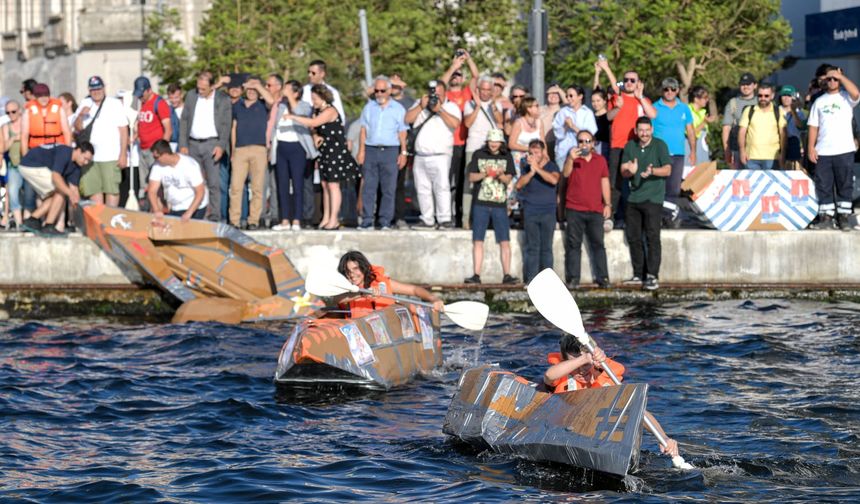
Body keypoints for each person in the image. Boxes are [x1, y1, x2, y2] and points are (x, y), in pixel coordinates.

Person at [543, 334, 681, 457]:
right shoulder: (560, 376)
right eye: (575, 364)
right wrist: (584, 359)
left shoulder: (606, 376)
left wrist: (664, 438)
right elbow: (549, 376)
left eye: (586, 365)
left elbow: (636, 409)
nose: (581, 370)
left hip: (595, 434)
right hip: (565, 429)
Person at [286, 84, 358, 229]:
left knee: (333, 184)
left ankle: (334, 219)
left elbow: (314, 123)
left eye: (315, 98)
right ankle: (326, 217)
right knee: (325, 185)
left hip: (335, 151)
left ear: (323, 97)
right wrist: (315, 137)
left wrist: (293, 117)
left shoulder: (330, 111)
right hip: (325, 151)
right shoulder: (316, 111)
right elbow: (314, 128)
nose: (314, 101)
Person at [599, 59, 657, 223]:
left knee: (637, 181)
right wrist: (617, 107)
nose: (629, 83)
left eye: (633, 80)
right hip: (618, 145)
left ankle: (634, 217)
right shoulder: (618, 97)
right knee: (614, 182)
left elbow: (653, 115)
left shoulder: (642, 100)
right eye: (626, 80)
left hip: (636, 146)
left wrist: (641, 97)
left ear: (639, 83)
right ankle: (609, 215)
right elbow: (608, 117)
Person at [621, 117, 672, 290]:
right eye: (640, 130)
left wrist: (652, 171)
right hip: (633, 198)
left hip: (653, 199)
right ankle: (638, 274)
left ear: (651, 130)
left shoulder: (660, 145)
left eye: (647, 130)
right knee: (634, 237)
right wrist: (630, 170)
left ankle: (652, 275)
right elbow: (623, 170)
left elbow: (667, 169)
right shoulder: (630, 146)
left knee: (652, 237)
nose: (644, 133)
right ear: (636, 131)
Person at [807, 65, 860, 231]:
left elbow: (856, 93)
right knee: (823, 185)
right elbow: (813, 127)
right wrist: (811, 148)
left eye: (834, 79)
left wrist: (839, 76)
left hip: (844, 149)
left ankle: (844, 217)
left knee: (845, 184)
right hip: (823, 151)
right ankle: (826, 217)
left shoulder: (846, 98)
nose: (832, 81)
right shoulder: (819, 101)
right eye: (829, 79)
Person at [405, 80, 462, 229]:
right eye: (432, 94)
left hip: (441, 155)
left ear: (444, 93)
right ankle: (427, 219)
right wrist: (420, 107)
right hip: (421, 155)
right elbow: (407, 119)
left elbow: (455, 124)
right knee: (422, 188)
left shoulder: (451, 106)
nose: (434, 97)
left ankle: (444, 218)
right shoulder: (420, 103)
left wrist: (439, 110)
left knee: (442, 187)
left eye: (438, 94)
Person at [464, 128, 518, 285]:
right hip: (480, 203)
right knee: (478, 240)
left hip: (499, 204)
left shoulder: (506, 156)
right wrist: (486, 173)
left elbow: (508, 180)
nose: (493, 144)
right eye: (491, 141)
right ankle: (476, 274)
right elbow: (471, 177)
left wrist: (500, 174)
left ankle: (507, 274)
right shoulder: (478, 155)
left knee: (504, 240)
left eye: (496, 141)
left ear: (501, 142)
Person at [178, 70, 232, 222]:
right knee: (192, 182)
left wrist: (221, 145)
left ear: (212, 87)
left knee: (214, 183)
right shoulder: (191, 96)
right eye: (198, 87)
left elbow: (226, 124)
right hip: (192, 144)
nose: (199, 91)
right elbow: (184, 120)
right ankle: (194, 213)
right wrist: (183, 144)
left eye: (203, 88)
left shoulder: (222, 99)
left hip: (212, 144)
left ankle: (215, 215)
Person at [356, 75, 408, 230]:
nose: (379, 94)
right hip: (371, 149)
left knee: (388, 189)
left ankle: (385, 221)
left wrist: (403, 152)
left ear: (389, 90)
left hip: (390, 151)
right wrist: (361, 151)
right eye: (376, 90)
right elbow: (363, 130)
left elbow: (402, 132)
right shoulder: (369, 107)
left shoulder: (398, 109)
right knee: (369, 188)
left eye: (382, 91)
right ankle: (367, 220)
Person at [562, 130, 611, 289]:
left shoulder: (600, 160)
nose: (584, 144)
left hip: (595, 209)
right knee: (573, 245)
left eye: (588, 141)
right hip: (574, 208)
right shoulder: (573, 158)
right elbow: (565, 174)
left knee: (598, 244)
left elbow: (605, 182)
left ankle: (603, 278)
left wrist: (608, 204)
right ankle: (573, 278)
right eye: (581, 141)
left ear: (593, 143)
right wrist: (570, 158)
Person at [72, 76, 130, 207]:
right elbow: (77, 128)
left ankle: (109, 219)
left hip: (111, 155)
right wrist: (81, 115)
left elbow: (123, 130)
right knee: (93, 189)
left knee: (111, 190)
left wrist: (123, 154)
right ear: (89, 90)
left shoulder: (114, 103)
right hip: (89, 157)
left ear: (104, 88)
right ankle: (98, 222)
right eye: (93, 89)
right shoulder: (85, 103)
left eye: (98, 88)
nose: (96, 92)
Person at [336, 250, 443, 318]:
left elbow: (414, 290)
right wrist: (362, 294)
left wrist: (434, 299)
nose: (352, 274)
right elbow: (337, 299)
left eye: (356, 269)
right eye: (347, 271)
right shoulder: (345, 289)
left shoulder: (382, 283)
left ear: (364, 268)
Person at [270, 80, 318, 231]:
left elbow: (299, 113)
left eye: (288, 89)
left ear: (296, 93)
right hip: (281, 147)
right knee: (282, 185)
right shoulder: (281, 105)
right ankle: (285, 220)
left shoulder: (304, 105)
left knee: (298, 185)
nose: (284, 91)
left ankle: (297, 219)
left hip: (297, 147)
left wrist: (290, 97)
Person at [18, 142, 93, 237]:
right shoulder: (65, 152)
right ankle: (48, 226)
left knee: (58, 194)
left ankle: (32, 220)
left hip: (33, 167)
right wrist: (70, 194)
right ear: (78, 151)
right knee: (61, 190)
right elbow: (56, 177)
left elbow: (74, 189)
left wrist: (77, 206)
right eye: (85, 158)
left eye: (88, 161)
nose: (85, 163)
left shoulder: (76, 167)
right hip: (30, 164)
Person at [441, 49, 479, 229]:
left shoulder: (466, 94)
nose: (455, 77)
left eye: (459, 75)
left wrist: (468, 59)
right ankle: (445, 215)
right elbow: (441, 83)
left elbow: (476, 75)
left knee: (463, 182)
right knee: (447, 181)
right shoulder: (445, 95)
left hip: (465, 142)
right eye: (453, 75)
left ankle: (460, 217)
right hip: (448, 143)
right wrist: (453, 66)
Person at [652, 77, 696, 228]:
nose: (669, 92)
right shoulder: (654, 107)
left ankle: (669, 218)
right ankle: (657, 218)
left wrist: (693, 151)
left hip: (678, 154)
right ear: (662, 90)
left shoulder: (684, 108)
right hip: (659, 154)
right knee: (658, 187)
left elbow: (690, 131)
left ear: (677, 90)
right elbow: (647, 131)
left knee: (674, 189)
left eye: (672, 89)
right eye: (666, 89)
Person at [463, 75, 505, 228]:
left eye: (489, 90)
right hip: (473, 147)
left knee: (491, 183)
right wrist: (478, 106)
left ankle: (488, 221)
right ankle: (466, 219)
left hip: (491, 149)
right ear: (478, 90)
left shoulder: (497, 105)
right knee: (470, 184)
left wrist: (493, 105)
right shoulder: (470, 104)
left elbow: (500, 123)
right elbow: (467, 123)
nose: (486, 93)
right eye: (483, 89)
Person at [515, 139, 560, 284]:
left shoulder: (552, 165)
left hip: (548, 212)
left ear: (542, 152)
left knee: (546, 248)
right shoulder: (526, 167)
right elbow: (519, 184)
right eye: (531, 152)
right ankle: (531, 280)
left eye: (536, 152)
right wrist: (531, 172)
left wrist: (538, 169)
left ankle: (548, 282)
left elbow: (554, 180)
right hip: (531, 211)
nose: (533, 155)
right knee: (532, 247)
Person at [229, 77, 270, 230]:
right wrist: (233, 150)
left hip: (259, 149)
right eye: (249, 89)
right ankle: (234, 220)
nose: (252, 92)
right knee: (236, 187)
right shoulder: (238, 105)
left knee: (257, 188)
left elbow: (271, 100)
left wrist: (258, 86)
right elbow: (234, 127)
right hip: (240, 150)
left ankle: (253, 220)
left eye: (255, 89)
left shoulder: (263, 104)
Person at [133, 76, 173, 209]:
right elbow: (143, 124)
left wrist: (161, 151)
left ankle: (162, 210)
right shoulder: (143, 103)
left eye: (142, 94)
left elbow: (168, 129)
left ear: (149, 90)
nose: (140, 97)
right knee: (146, 186)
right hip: (143, 150)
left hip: (154, 151)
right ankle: (151, 210)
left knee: (157, 184)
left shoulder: (159, 103)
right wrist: (136, 135)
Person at [147, 140, 208, 223]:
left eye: (156, 157)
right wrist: (156, 210)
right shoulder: (157, 166)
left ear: (165, 154)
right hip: (176, 207)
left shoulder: (189, 165)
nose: (155, 160)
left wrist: (189, 213)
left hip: (195, 207)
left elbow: (200, 192)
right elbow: (152, 191)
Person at [737, 82, 787, 171]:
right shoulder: (749, 110)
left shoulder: (778, 111)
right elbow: (741, 132)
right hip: (751, 158)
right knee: (753, 184)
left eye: (766, 96)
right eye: (760, 95)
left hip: (772, 158)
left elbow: (783, 133)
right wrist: (742, 151)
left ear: (772, 96)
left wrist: (783, 154)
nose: (763, 98)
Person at [20, 83, 72, 156]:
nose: (43, 98)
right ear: (35, 97)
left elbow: (67, 132)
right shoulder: (28, 111)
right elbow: (24, 136)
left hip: (56, 149)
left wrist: (68, 153)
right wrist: (25, 156)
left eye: (46, 95)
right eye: (40, 96)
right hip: (37, 150)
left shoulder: (59, 109)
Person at [552, 85, 597, 167]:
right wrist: (565, 126)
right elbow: (558, 134)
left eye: (571, 96)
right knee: (564, 178)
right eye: (567, 96)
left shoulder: (587, 113)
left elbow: (590, 136)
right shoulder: (562, 112)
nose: (568, 98)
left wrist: (573, 126)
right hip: (563, 153)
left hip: (582, 153)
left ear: (580, 96)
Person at [721, 72, 758, 169]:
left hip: (758, 150)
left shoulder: (761, 102)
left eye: (748, 84)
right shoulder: (732, 103)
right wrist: (727, 150)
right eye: (743, 84)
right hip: (737, 149)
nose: (745, 87)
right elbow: (726, 128)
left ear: (755, 85)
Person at [2, 100, 25, 230]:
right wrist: (13, 138)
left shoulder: (26, 123)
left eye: (13, 111)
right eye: (7, 112)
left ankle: (31, 221)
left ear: (19, 110)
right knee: (12, 192)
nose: (11, 114)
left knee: (30, 195)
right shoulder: (6, 127)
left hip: (29, 164)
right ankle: (19, 223)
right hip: (14, 164)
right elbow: (4, 147)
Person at [778, 85, 807, 171]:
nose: (786, 98)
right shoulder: (776, 111)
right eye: (784, 95)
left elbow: (801, 126)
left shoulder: (800, 113)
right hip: (777, 144)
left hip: (793, 145)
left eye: (789, 96)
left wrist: (793, 111)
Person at [687, 85, 715, 172]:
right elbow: (691, 133)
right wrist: (704, 122)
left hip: (703, 150)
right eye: (705, 97)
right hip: (691, 149)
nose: (707, 100)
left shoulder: (703, 112)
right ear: (696, 99)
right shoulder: (688, 111)